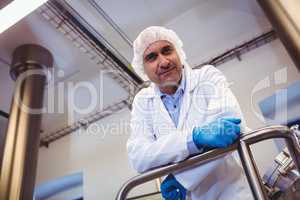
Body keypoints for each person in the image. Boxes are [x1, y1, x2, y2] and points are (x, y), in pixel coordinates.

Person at [127, 26, 253, 200]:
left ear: (178, 53)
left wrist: (183, 179)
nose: (163, 62)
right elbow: (139, 156)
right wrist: (193, 139)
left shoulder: (207, 77)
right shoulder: (143, 101)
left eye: (167, 50)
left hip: (233, 192)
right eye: (151, 57)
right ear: (143, 69)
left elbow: (231, 128)